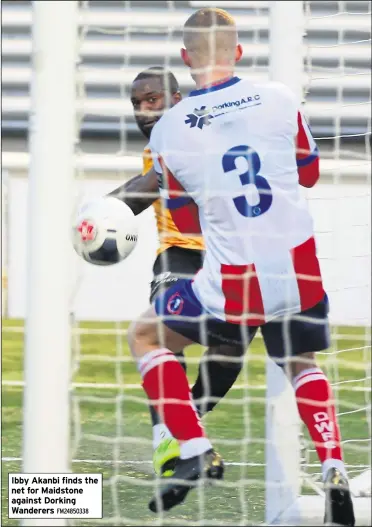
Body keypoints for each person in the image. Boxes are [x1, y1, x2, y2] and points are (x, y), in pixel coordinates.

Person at [127, 8, 356, 525]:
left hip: (236, 278)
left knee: (145, 335)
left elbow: (183, 217)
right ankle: (333, 465)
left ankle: (192, 446)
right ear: (239, 51)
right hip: (301, 268)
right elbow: (311, 172)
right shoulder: (279, 98)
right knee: (301, 364)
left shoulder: (169, 130)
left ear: (185, 60)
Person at [108, 66, 246, 477]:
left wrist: (106, 208)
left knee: (230, 347)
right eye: (137, 103)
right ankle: (168, 438)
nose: (144, 110)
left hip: (227, 253)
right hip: (179, 254)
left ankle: (189, 422)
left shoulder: (202, 132)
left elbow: (144, 188)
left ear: (178, 100)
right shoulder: (156, 144)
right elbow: (150, 185)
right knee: (165, 333)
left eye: (152, 100)